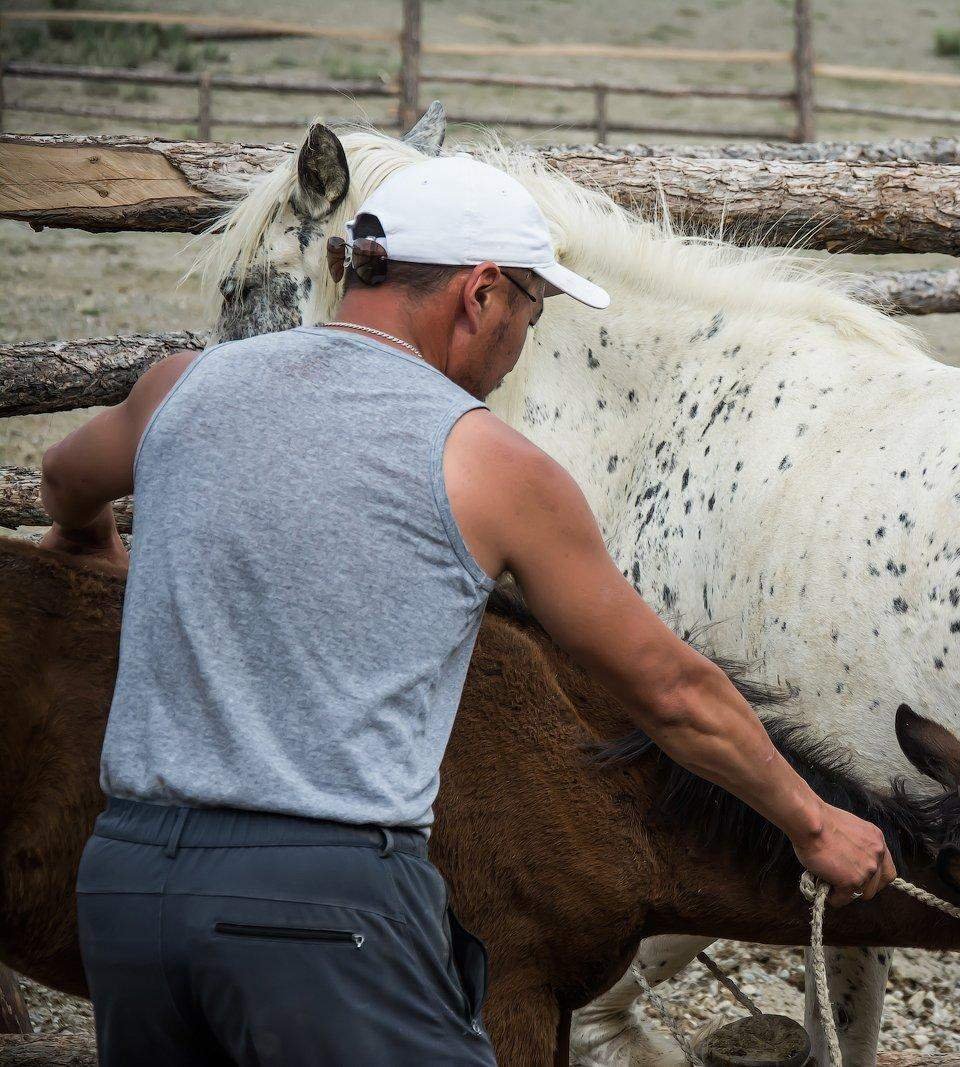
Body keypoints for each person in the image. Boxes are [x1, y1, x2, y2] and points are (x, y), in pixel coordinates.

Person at [40, 154, 894, 1065]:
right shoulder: (488, 463)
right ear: (481, 293)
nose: (522, 338)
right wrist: (812, 822)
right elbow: (673, 691)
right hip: (323, 906)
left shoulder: (182, 387)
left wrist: (88, 539)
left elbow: (64, 478)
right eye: (531, 311)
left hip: (130, 889)